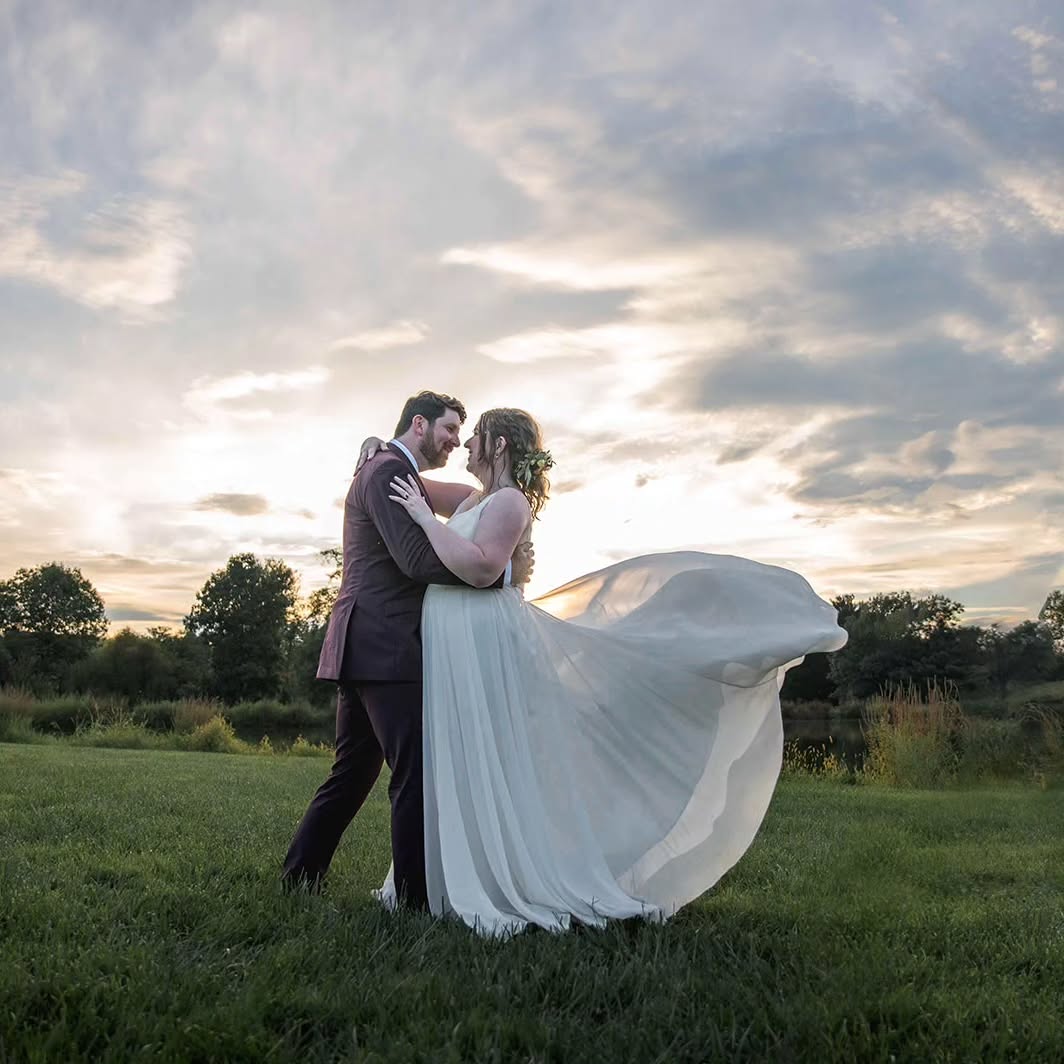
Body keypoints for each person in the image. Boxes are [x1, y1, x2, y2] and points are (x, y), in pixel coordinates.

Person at [358, 407, 848, 936]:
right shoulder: (477, 498)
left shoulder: (510, 502)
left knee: (492, 752)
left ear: (499, 445)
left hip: (484, 643)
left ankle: (511, 876)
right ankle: (450, 874)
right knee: (463, 756)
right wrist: (376, 445)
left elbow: (480, 567)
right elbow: (411, 481)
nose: (466, 445)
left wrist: (427, 522)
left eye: (475, 436)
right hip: (457, 646)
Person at [281, 391, 532, 908]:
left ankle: (300, 876)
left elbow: (472, 493)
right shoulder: (386, 473)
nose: (456, 441)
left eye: (465, 434)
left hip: (367, 641)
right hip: (386, 642)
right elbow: (417, 559)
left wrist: (376, 442)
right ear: (419, 425)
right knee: (414, 771)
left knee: (354, 770)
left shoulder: (394, 468)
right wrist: (497, 572)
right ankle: (416, 900)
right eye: (448, 430)